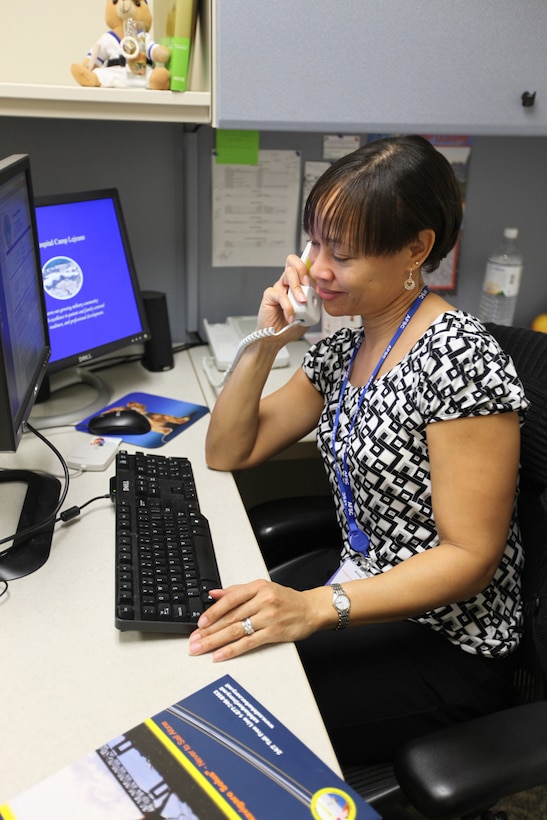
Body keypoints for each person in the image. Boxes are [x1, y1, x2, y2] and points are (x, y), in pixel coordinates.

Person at [189, 135, 528, 765]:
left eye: (341, 253)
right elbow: (230, 450)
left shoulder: (462, 360)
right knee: (208, 653)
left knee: (235, 726)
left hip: (447, 643)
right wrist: (267, 338)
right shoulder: (349, 345)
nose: (317, 268)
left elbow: (471, 558)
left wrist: (317, 607)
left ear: (415, 250)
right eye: (314, 242)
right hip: (361, 588)